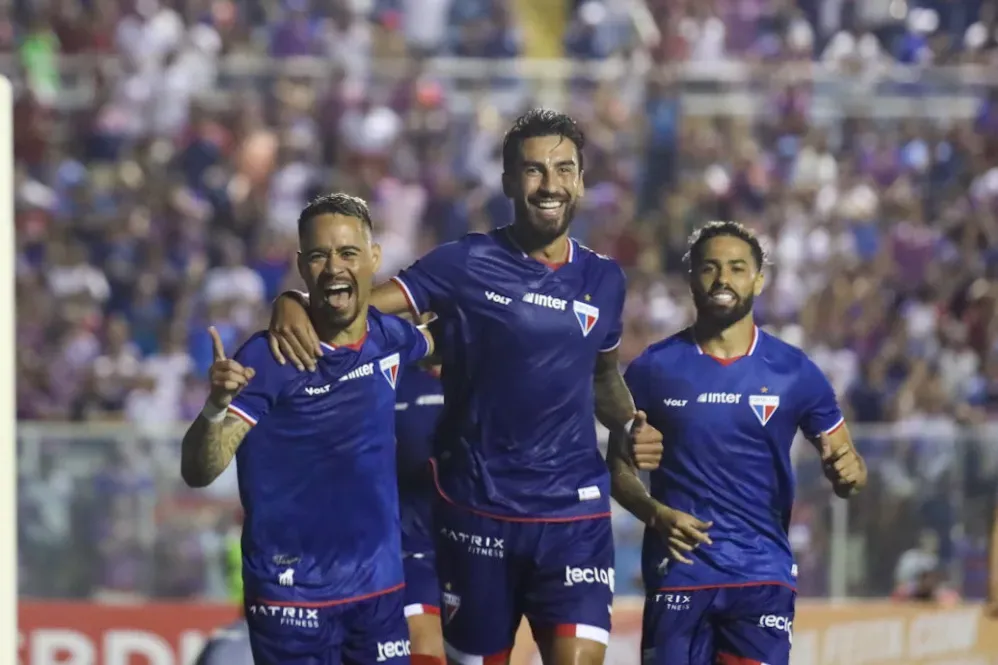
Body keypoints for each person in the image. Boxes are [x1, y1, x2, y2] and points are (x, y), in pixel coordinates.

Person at [267, 109, 664, 665]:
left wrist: (627, 423)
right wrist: (294, 302)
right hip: (478, 511)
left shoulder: (605, 279)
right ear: (506, 182)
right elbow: (357, 312)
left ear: (580, 180)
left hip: (573, 516)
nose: (549, 185)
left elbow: (601, 375)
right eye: (533, 171)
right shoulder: (464, 263)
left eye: (563, 169)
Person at [181, 193, 433, 665]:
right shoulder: (269, 356)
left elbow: (438, 340)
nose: (334, 267)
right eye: (319, 256)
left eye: (347, 253)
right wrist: (215, 406)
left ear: (374, 258)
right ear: (301, 264)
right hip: (290, 598)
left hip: (378, 591)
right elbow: (201, 469)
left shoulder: (388, 338)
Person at [609, 221, 868, 665]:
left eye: (736, 268)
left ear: (758, 279)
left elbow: (850, 469)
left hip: (761, 577)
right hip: (679, 573)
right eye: (710, 268)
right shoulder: (652, 369)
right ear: (692, 278)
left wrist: (848, 473)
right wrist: (655, 513)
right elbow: (617, 471)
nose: (723, 279)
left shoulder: (795, 371)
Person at [395, 353, 446, 659]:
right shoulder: (399, 384)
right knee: (425, 647)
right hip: (413, 545)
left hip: (485, 546)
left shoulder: (491, 377)